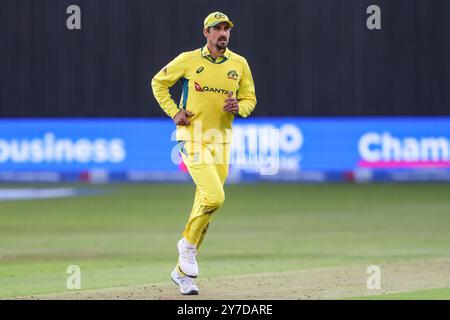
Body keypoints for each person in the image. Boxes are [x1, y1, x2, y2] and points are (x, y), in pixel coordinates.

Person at [151, 11, 256, 295]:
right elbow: (158, 83)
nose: (223, 33)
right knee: (215, 196)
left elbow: (250, 99)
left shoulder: (239, 64)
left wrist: (240, 108)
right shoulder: (188, 60)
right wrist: (174, 112)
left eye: (226, 29)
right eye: (217, 29)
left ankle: (182, 274)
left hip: (221, 141)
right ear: (206, 33)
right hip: (192, 138)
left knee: (206, 205)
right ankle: (186, 246)